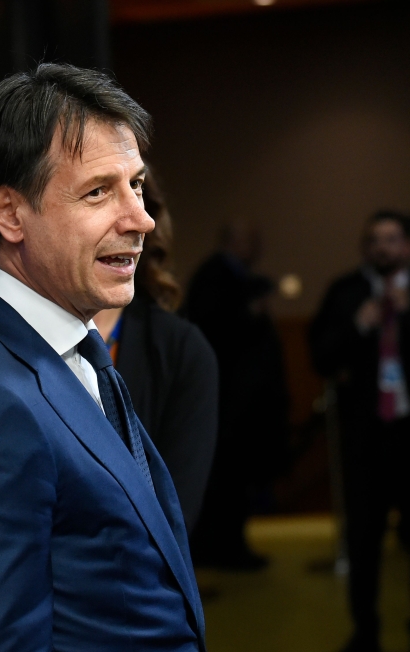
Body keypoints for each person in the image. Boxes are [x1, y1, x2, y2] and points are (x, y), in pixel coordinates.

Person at [0, 63, 205, 649]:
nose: (142, 219)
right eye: (99, 191)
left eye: (134, 185)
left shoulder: (73, 348)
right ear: (8, 213)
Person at [310, 211, 410, 652]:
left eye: (392, 239)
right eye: (374, 239)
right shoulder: (345, 292)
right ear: (365, 247)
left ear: (408, 246)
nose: (383, 248)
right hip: (366, 440)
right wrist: (359, 324)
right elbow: (320, 356)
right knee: (363, 541)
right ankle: (365, 632)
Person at [93, 174, 218, 532]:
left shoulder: (182, 349)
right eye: (98, 193)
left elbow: (174, 515)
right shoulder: (18, 339)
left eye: (135, 191)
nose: (130, 218)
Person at [184, 218, 289, 569]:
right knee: (225, 480)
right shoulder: (216, 277)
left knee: (235, 478)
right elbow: (211, 329)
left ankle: (230, 547)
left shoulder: (232, 276)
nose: (256, 248)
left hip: (236, 403)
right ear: (232, 241)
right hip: (228, 402)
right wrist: (249, 315)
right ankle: (224, 550)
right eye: (249, 240)